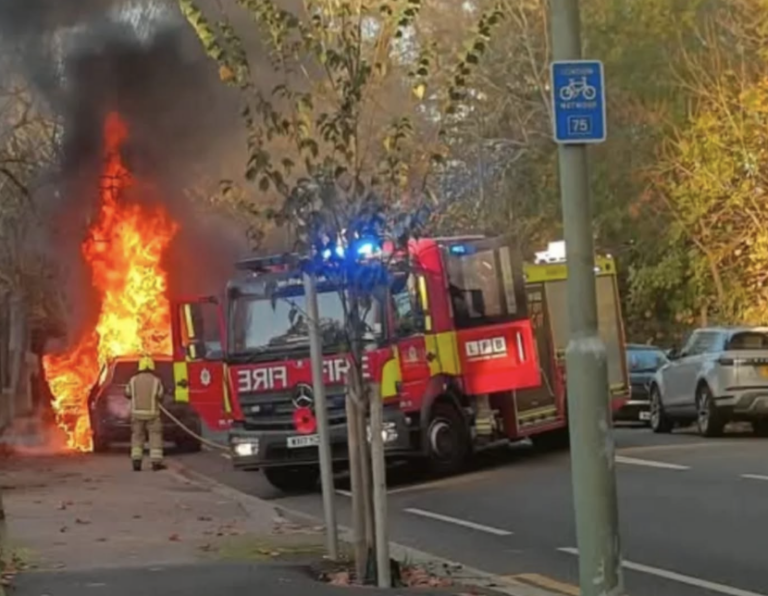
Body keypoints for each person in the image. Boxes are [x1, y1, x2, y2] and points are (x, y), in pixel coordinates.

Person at [125, 356, 165, 471]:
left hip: (137, 414)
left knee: (137, 436)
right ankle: (156, 463)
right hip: (153, 414)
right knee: (155, 436)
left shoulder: (133, 380)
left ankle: (136, 462)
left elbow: (127, 393)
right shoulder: (156, 380)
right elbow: (160, 395)